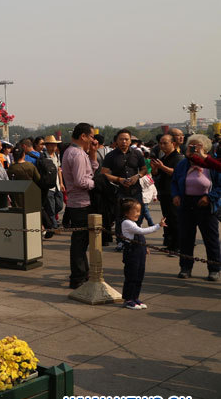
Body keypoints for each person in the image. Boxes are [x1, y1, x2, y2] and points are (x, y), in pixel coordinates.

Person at [170, 134, 221, 281]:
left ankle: (214, 268)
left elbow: (219, 185)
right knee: (186, 237)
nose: (193, 148)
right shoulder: (183, 164)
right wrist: (176, 195)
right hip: (186, 203)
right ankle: (185, 267)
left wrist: (209, 197)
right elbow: (174, 181)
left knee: (211, 238)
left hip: (206, 204)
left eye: (197, 145)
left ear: (205, 148)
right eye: (191, 145)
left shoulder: (211, 164)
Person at [63, 123, 101, 289]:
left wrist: (92, 153)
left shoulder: (77, 152)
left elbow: (91, 170)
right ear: (83, 136)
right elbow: (81, 181)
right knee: (79, 243)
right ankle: (78, 277)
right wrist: (97, 184)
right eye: (91, 136)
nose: (93, 139)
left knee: (82, 242)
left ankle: (83, 273)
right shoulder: (77, 154)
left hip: (78, 202)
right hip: (80, 203)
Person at [100, 129, 147, 249]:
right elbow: (104, 173)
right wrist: (119, 179)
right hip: (120, 190)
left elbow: (144, 169)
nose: (124, 141)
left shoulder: (137, 154)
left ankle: (136, 239)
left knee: (137, 215)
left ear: (130, 141)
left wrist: (137, 176)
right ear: (116, 141)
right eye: (121, 139)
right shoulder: (111, 156)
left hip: (135, 190)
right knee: (120, 216)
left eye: (126, 139)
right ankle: (121, 241)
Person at [118, 198, 166, 310]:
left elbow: (140, 237)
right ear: (126, 212)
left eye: (139, 211)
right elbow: (142, 232)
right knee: (131, 276)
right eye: (135, 211)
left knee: (139, 275)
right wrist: (158, 226)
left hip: (139, 251)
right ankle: (128, 299)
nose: (138, 214)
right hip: (132, 253)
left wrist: (145, 247)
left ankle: (135, 297)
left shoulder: (133, 223)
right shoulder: (126, 223)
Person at [38, 136, 64, 239]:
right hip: (48, 187)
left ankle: (50, 222)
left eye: (55, 145)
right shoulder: (43, 156)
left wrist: (61, 183)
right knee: (51, 208)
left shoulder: (56, 155)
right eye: (52, 145)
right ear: (47, 145)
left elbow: (58, 170)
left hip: (57, 185)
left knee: (59, 205)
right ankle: (53, 227)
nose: (54, 147)